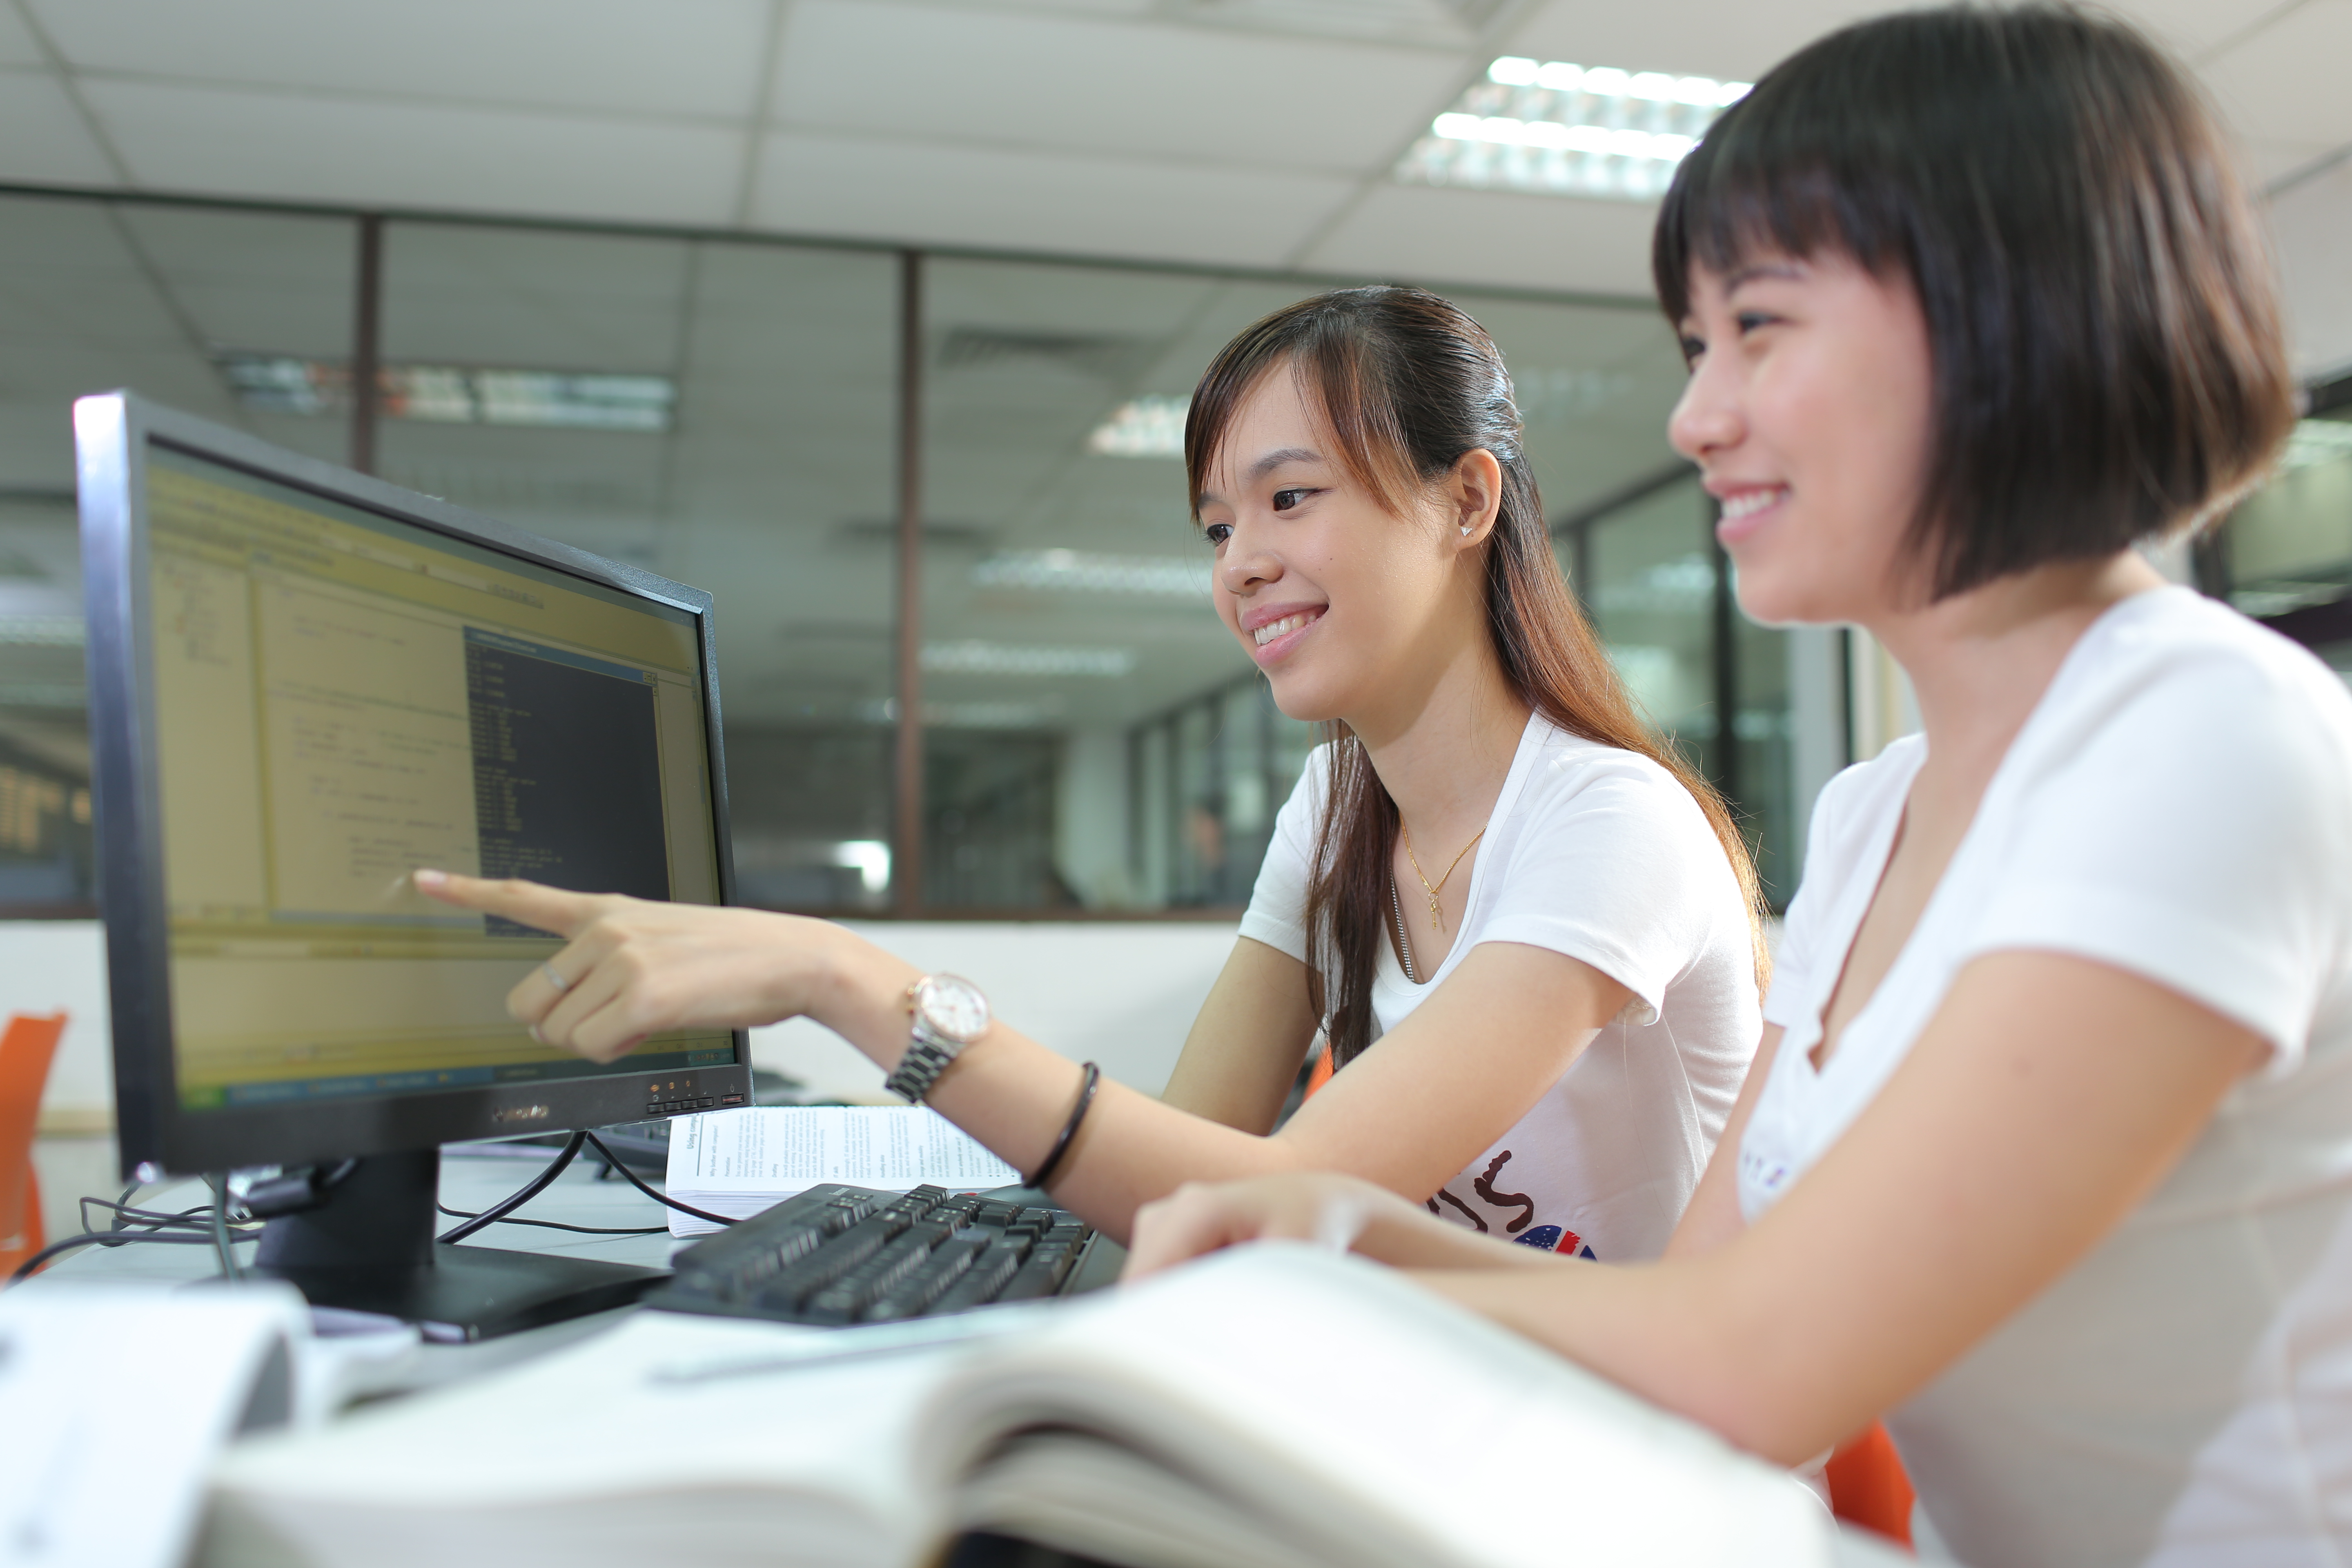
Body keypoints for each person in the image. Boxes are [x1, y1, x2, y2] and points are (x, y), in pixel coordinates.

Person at [1122, 9, 2352, 1565]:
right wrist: (1320, 1228)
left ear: (2007, 315)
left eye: (1759, 328)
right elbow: (1702, 1321)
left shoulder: (2202, 737)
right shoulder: (1875, 813)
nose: (1698, 416)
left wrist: (1337, 1229)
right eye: (1699, 346)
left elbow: (1761, 1368)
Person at [414, 285, 1765, 1257]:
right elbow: (1193, 1154)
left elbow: (1280, 1191)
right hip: (1440, 1396)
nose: (1240, 563)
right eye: (1218, 523)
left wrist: (851, 980)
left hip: (1622, 1459)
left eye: (1292, 499)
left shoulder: (1609, 825)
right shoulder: (1342, 804)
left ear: (1467, 502)